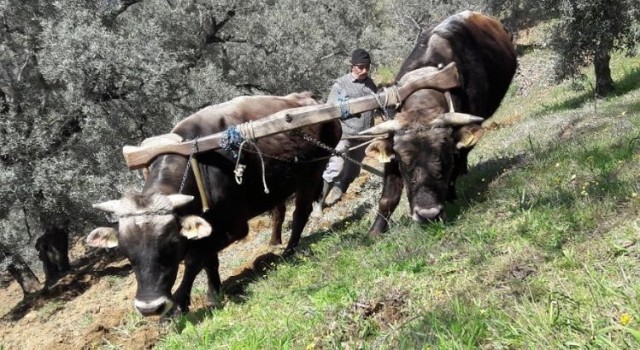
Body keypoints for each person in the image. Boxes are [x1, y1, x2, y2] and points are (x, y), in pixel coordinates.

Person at [313, 48, 379, 216]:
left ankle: (339, 191)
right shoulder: (341, 85)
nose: (364, 70)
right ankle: (317, 203)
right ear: (352, 66)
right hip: (344, 135)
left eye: (367, 67)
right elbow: (330, 111)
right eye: (360, 67)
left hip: (364, 135)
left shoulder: (371, 84)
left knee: (353, 171)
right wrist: (347, 110)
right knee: (337, 166)